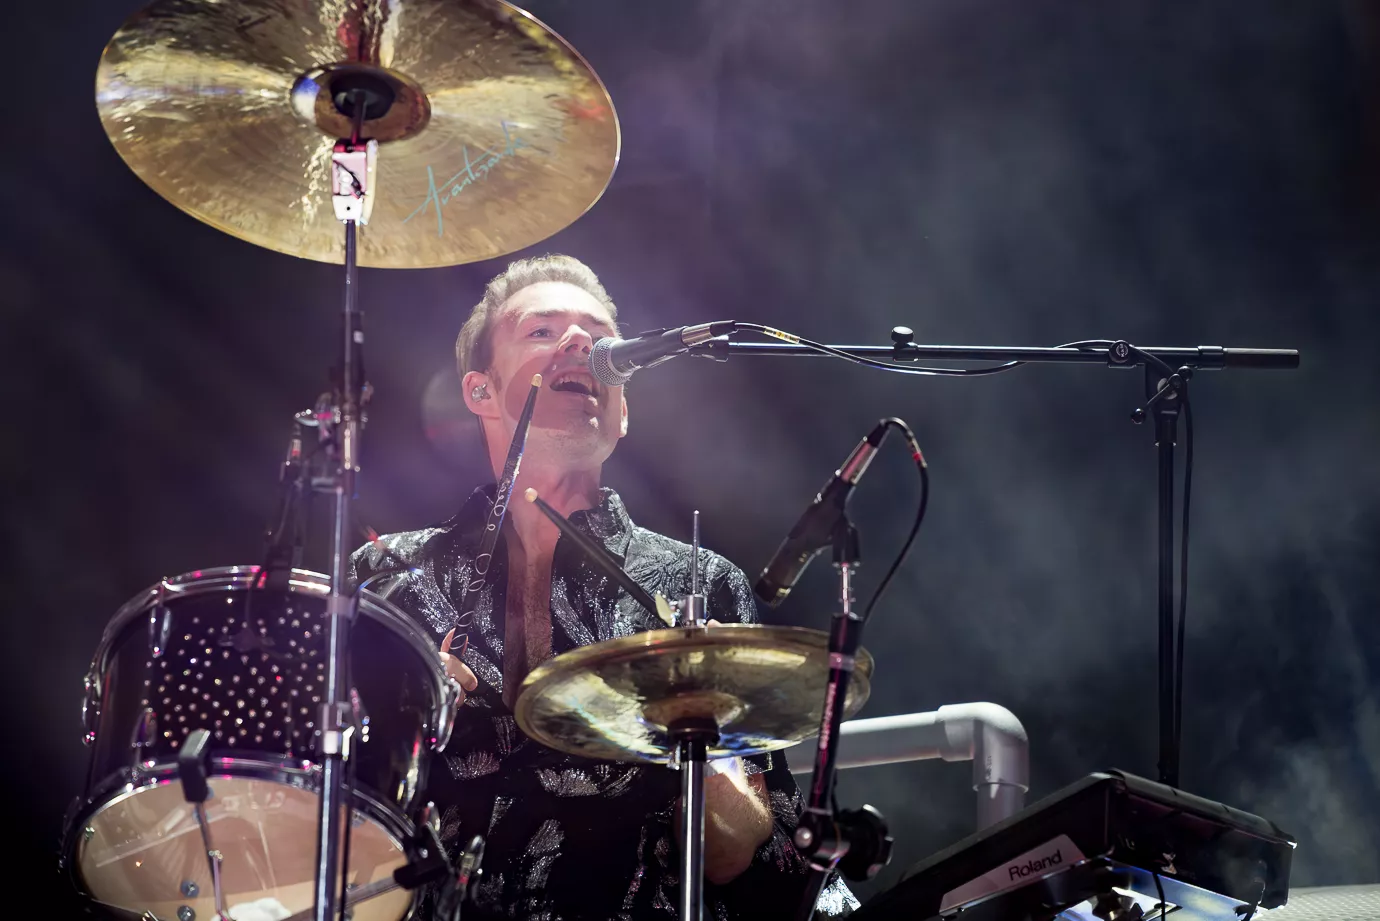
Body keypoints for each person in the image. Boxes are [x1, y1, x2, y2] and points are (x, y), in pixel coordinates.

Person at [350, 254, 857, 920]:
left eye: (598, 335)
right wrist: (399, 718)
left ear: (622, 415)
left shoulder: (699, 584)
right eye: (542, 330)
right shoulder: (386, 578)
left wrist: (693, 724)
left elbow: (749, 864)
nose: (580, 343)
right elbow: (313, 825)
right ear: (479, 391)